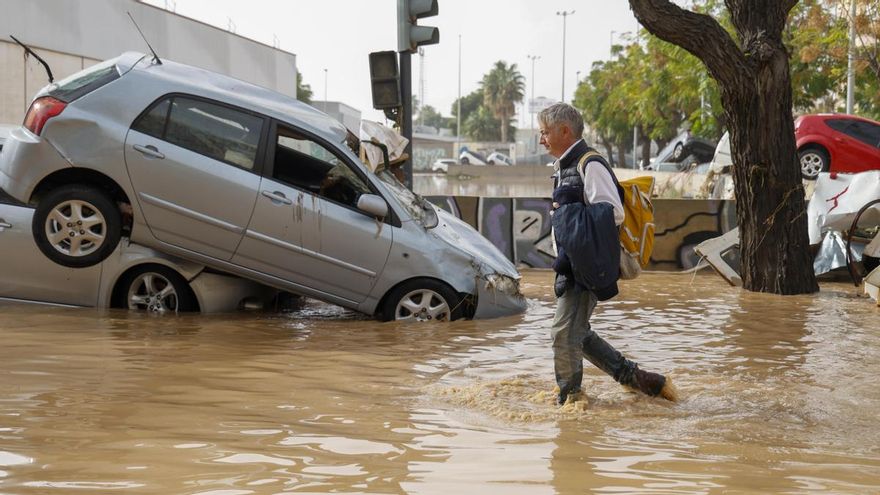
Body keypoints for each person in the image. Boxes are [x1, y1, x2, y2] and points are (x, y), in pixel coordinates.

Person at [539, 103, 677, 406]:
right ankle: (642, 381)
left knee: (563, 333)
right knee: (578, 333)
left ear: (565, 131)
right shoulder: (566, 167)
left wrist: (566, 215)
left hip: (585, 265)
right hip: (571, 263)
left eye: (545, 132)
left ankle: (570, 401)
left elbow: (611, 212)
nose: (541, 139)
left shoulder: (590, 163)